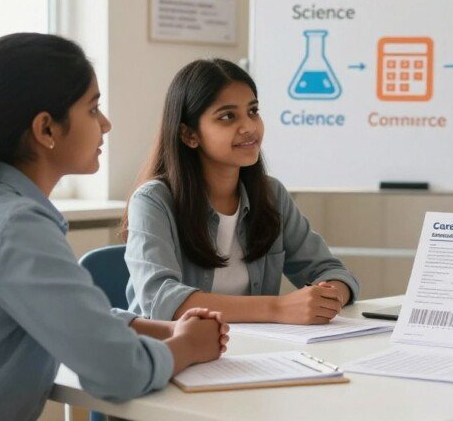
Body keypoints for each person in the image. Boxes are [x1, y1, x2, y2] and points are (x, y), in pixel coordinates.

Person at [0, 34, 228, 421]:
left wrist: (164, 329)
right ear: (46, 129)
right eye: (93, 108)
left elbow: (70, 314)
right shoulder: (17, 227)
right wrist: (186, 346)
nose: (106, 123)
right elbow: (118, 371)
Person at [123, 58, 359, 324]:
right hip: (174, 355)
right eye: (227, 116)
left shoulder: (272, 194)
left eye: (253, 111)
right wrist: (278, 308)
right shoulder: (153, 201)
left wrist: (329, 294)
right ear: (189, 135)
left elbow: (332, 271)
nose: (249, 127)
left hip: (253, 352)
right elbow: (162, 300)